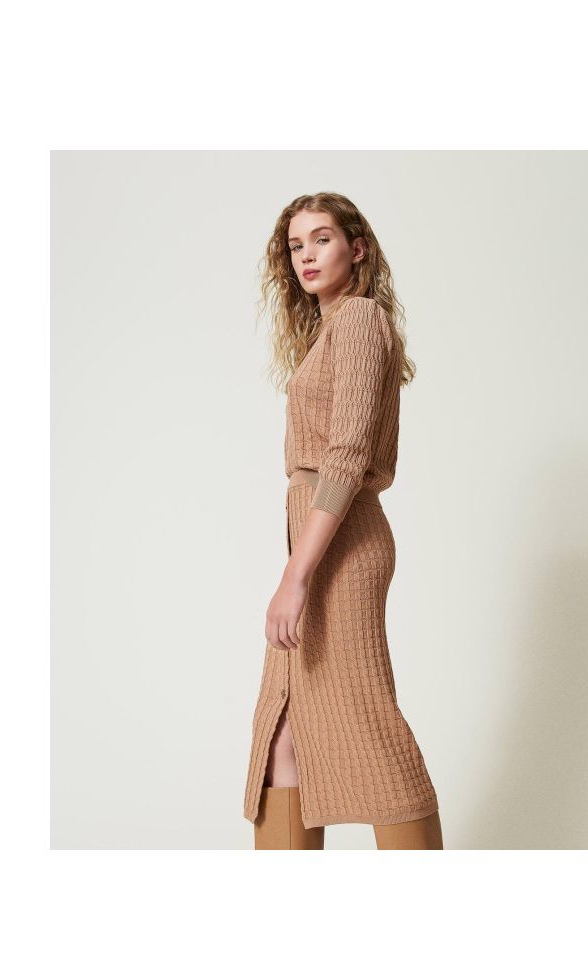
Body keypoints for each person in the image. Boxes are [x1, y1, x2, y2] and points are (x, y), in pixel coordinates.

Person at [243, 192, 443, 850]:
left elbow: (348, 455)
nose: (306, 255)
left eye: (321, 239)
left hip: (342, 544)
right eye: (295, 245)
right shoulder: (328, 332)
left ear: (357, 249)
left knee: (366, 721)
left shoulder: (358, 318)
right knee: (284, 733)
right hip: (319, 537)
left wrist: (296, 576)